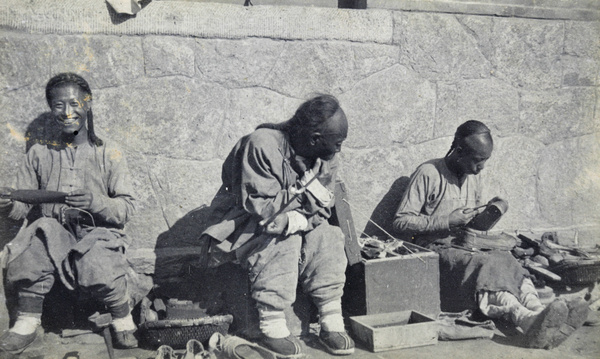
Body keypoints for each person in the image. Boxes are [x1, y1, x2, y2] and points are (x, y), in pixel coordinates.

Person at [393, 120, 588, 349]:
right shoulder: (428, 173)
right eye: (477, 161)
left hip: (466, 247)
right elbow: (400, 222)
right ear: (459, 151)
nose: (481, 168)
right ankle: (525, 320)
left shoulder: (473, 177)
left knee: (506, 259)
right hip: (435, 253)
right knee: (484, 265)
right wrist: (447, 220)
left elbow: (474, 228)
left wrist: (487, 215)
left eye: (484, 161)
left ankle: (540, 312)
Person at [201, 95, 354, 357]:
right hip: (241, 224)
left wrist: (302, 219)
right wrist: (293, 216)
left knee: (329, 235)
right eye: (336, 143)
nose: (338, 150)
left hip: (288, 220)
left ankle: (331, 321)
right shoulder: (262, 144)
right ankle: (272, 325)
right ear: (314, 138)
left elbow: (324, 206)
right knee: (284, 237)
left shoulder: (326, 156)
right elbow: (260, 208)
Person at [0, 73, 138, 352]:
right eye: (58, 105)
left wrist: (96, 202)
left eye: (74, 104)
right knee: (32, 246)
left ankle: (123, 319)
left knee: (98, 261)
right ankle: (27, 321)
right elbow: (22, 208)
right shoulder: (38, 153)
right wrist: (8, 205)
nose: (67, 113)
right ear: (51, 109)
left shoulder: (108, 152)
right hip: (55, 232)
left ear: (88, 104)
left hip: (98, 233)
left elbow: (126, 208)